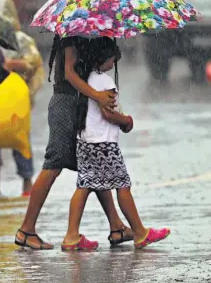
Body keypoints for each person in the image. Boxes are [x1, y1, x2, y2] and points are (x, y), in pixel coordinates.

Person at [14, 36, 134, 250]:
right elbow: (69, 72)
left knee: (93, 167)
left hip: (78, 105)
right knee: (53, 165)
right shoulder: (71, 33)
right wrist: (97, 95)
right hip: (65, 105)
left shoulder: (87, 32)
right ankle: (26, 230)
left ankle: (116, 226)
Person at [62, 37, 170, 250]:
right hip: (103, 144)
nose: (114, 63)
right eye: (112, 59)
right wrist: (126, 121)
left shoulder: (86, 78)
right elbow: (108, 113)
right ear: (104, 59)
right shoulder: (104, 82)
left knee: (84, 185)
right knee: (123, 185)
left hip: (85, 140)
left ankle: (71, 236)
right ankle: (140, 232)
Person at [0, 0, 44, 200]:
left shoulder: (21, 40)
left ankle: (27, 183)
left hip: (15, 99)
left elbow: (32, 62)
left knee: (20, 140)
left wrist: (13, 65)